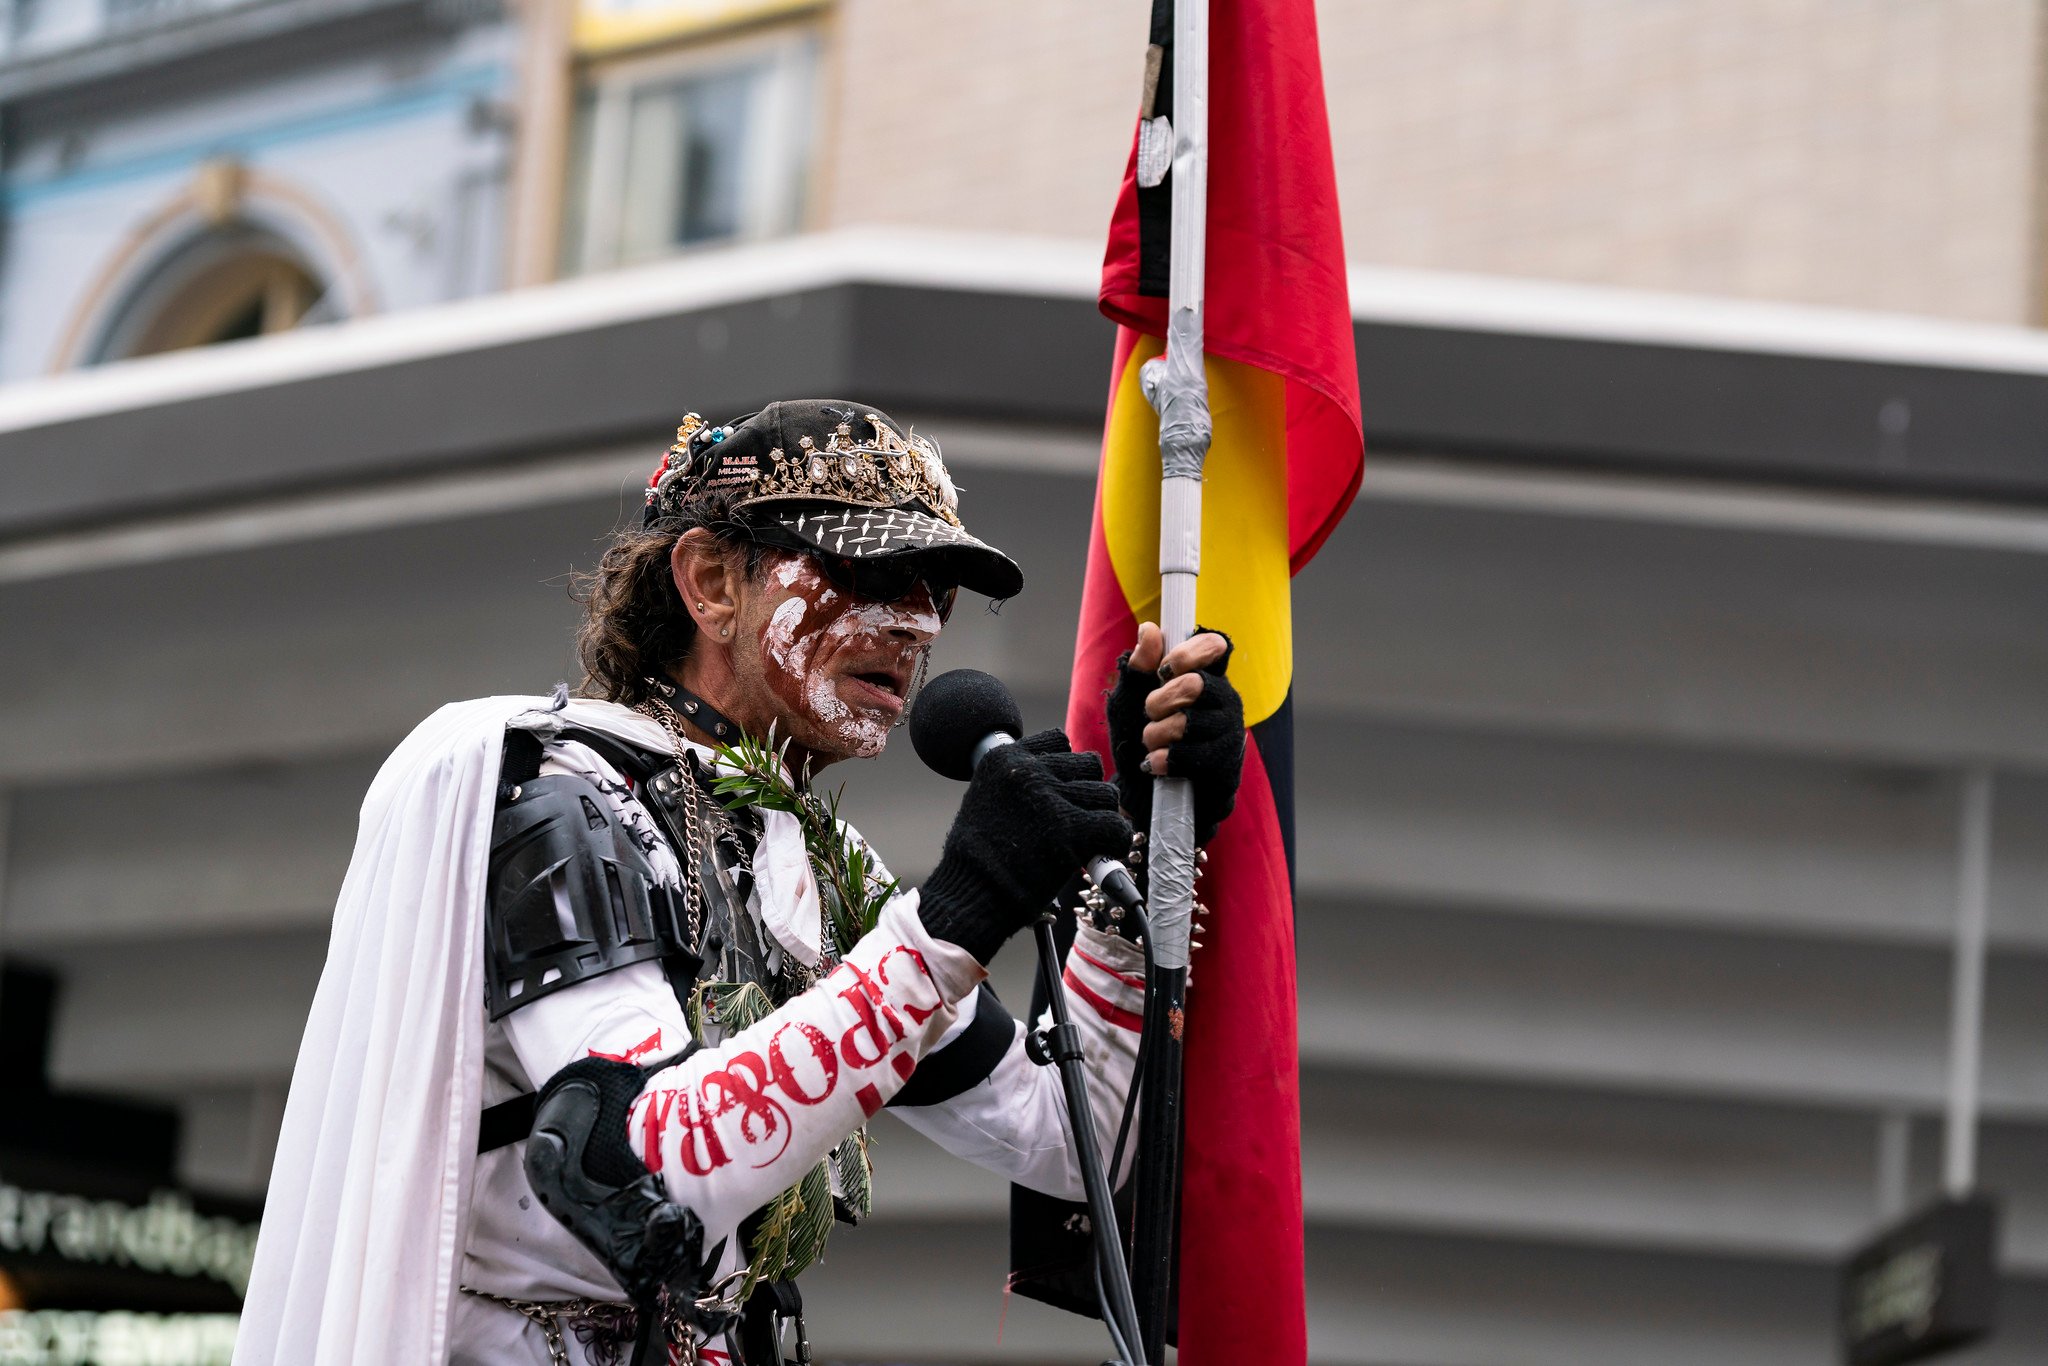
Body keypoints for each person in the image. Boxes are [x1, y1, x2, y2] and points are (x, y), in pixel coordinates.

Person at [233, 401, 1243, 1366]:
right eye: (867, 569)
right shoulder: (561, 794)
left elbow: (1069, 1136)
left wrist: (1151, 834)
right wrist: (956, 918)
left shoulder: (820, 866)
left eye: (934, 593)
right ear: (712, 583)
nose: (915, 626)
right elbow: (637, 1163)